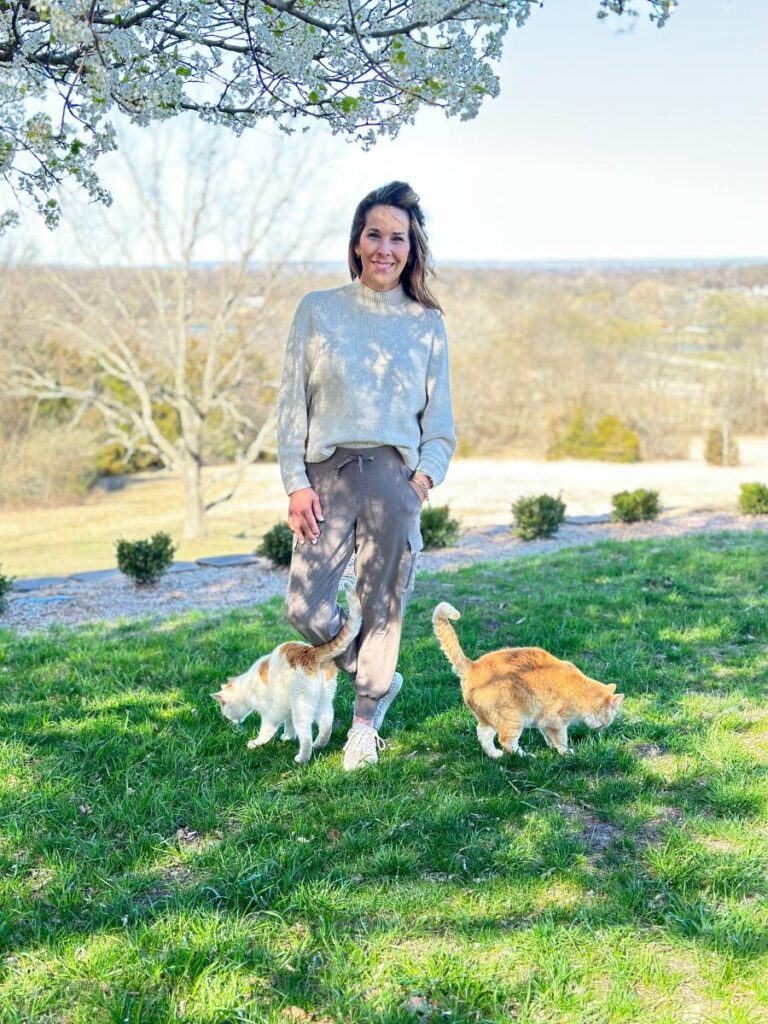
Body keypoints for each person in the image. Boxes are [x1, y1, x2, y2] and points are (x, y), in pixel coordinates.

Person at [277, 180, 456, 771]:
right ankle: (377, 675)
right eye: (374, 234)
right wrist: (296, 483)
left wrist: (420, 483)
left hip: (391, 478)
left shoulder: (425, 323)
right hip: (325, 476)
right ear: (356, 243)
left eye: (398, 237)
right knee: (306, 606)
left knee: (381, 603)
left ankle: (364, 720)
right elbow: (291, 406)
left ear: (412, 248)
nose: (385, 247)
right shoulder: (318, 310)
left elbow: (441, 424)